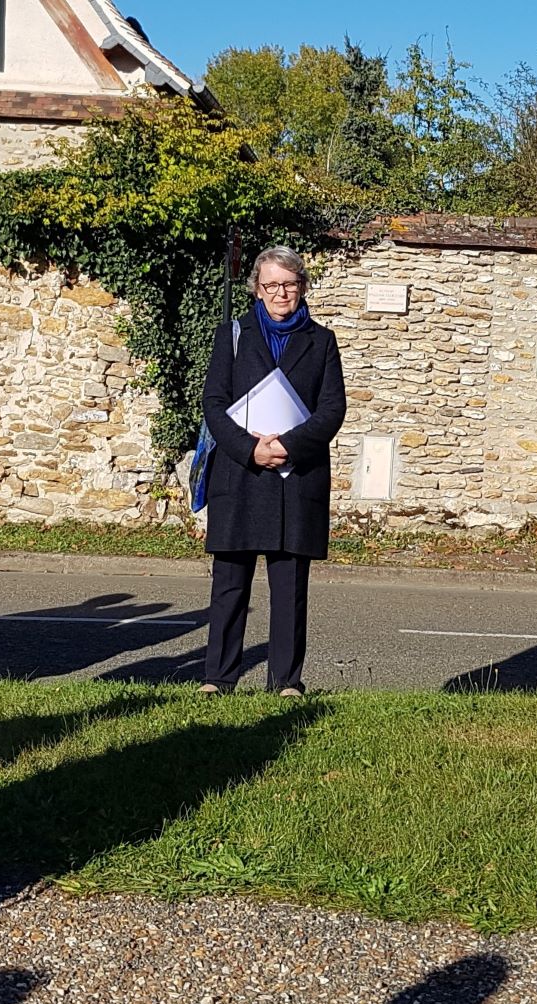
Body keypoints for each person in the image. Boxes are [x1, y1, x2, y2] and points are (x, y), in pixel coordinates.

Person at [198, 245, 347, 697]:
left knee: (289, 589)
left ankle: (286, 681)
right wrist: (250, 450)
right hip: (241, 475)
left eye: (290, 284)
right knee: (229, 586)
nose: (281, 293)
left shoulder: (322, 341)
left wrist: (288, 446)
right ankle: (218, 679)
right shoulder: (233, 335)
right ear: (257, 290)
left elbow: (332, 409)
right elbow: (214, 404)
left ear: (302, 286)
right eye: (272, 285)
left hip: (296, 476)